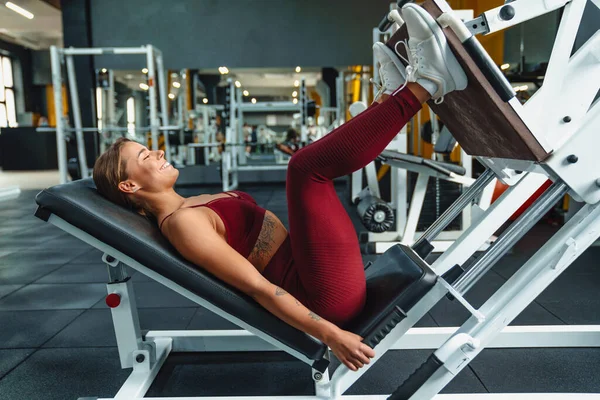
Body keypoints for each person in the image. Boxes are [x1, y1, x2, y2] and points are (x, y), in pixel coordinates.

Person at [92, 4, 466, 372]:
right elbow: (256, 287)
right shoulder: (181, 224)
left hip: (315, 271)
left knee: (310, 165)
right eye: (144, 157)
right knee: (305, 169)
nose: (157, 152)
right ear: (129, 184)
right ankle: (427, 83)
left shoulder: (192, 205)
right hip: (322, 297)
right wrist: (331, 334)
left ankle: (391, 97)